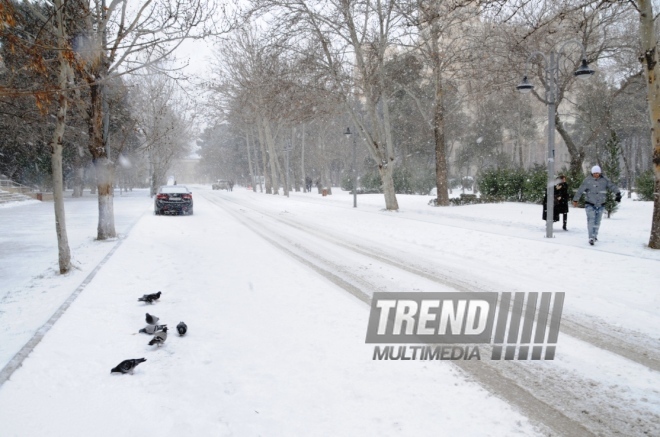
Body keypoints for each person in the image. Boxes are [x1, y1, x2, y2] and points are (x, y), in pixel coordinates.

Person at [572, 165, 621, 245]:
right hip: (590, 203)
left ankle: (595, 236)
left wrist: (618, 193)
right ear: (592, 173)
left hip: (601, 204)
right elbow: (580, 190)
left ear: (600, 173)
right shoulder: (587, 180)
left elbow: (612, 186)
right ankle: (591, 237)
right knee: (591, 220)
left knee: (597, 221)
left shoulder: (604, 180)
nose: (596, 174)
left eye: (597, 173)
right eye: (594, 173)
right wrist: (575, 199)